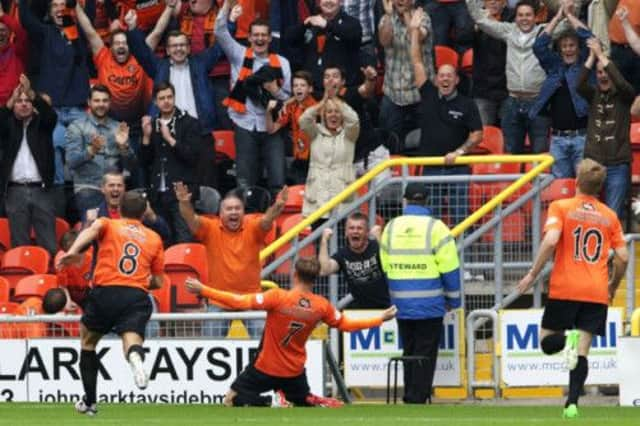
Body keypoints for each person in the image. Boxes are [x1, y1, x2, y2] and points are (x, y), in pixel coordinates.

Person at [185, 256, 397, 407]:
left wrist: (204, 290)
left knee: (232, 399)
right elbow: (346, 325)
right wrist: (380, 318)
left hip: (265, 368)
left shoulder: (277, 297)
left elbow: (238, 300)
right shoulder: (321, 305)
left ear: (294, 274)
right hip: (294, 371)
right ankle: (303, 398)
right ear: (316, 278)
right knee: (303, 403)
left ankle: (273, 401)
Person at [516, 158, 628, 419]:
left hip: (566, 287)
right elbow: (623, 256)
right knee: (582, 352)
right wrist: (612, 284)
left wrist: (533, 273)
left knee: (546, 341)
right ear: (600, 187)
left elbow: (552, 239)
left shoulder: (561, 207)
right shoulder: (609, 216)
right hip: (596, 290)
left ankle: (566, 340)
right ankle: (572, 405)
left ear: (576, 182)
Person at [57, 191, 165, 417]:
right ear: (144, 212)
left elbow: (91, 231)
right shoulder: (154, 238)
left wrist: (73, 251)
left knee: (88, 342)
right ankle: (135, 357)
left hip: (106, 291)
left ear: (119, 209)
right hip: (136, 295)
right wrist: (139, 279)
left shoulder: (107, 223)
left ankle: (90, 402)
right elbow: (158, 282)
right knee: (132, 340)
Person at [379, 182, 462, 404]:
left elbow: (385, 266)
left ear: (405, 200)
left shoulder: (391, 227)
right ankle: (418, 396)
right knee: (426, 352)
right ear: (428, 201)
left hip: (401, 303)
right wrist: (454, 301)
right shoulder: (437, 228)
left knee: (409, 350)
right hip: (431, 303)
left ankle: (409, 394)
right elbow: (450, 269)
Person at [175, 182, 288, 338]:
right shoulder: (210, 228)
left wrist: (278, 206)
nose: (233, 212)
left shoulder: (253, 227)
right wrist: (184, 202)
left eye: (237, 208)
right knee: (210, 348)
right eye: (229, 209)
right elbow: (191, 218)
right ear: (221, 214)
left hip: (250, 299)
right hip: (218, 301)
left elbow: (267, 220)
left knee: (265, 347)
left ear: (243, 212)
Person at [409, 7, 483, 226]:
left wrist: (459, 152)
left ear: (457, 80)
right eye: (441, 75)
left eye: (450, 76)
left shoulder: (467, 103)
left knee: (460, 218)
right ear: (436, 79)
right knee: (430, 219)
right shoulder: (428, 93)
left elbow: (478, 134)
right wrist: (414, 32)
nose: (445, 79)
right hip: (431, 166)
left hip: (458, 167)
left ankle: (462, 255)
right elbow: (416, 61)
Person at [215, 0, 291, 197]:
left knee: (278, 180)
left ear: (269, 39)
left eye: (263, 35)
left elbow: (290, 98)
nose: (259, 39)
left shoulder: (282, 63)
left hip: (273, 126)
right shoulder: (238, 55)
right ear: (248, 38)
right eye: (255, 35)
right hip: (244, 124)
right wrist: (227, 6)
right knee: (244, 182)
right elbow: (220, 31)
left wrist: (275, 91)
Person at [466, 0, 550, 154]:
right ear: (516, 18)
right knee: (510, 151)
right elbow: (476, 22)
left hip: (535, 101)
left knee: (540, 152)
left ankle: (540, 179)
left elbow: (565, 25)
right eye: (521, 15)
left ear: (535, 17)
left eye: (528, 15)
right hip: (506, 98)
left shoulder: (542, 32)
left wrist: (571, 8)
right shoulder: (508, 31)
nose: (524, 18)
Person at [530, 3, 592, 178]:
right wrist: (557, 17)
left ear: (578, 49)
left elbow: (590, 38)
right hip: (557, 139)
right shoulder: (554, 66)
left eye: (572, 45)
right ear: (559, 50)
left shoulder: (585, 65)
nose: (568, 49)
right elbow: (539, 46)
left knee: (584, 186)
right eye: (564, 46)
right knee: (560, 187)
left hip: (582, 137)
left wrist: (570, 16)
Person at [0, 75, 57, 256]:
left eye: (27, 101)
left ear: (33, 105)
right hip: (14, 191)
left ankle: (50, 281)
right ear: (13, 105)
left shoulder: (43, 126)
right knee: (19, 245)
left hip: (42, 190)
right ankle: (21, 283)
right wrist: (9, 102)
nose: (24, 104)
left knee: (48, 243)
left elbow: (50, 114)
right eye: (19, 101)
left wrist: (32, 93)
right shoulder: (7, 128)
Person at [577, 38, 634, 219]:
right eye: (599, 73)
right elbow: (579, 84)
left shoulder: (625, 95)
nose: (603, 76)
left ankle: (609, 248)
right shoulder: (593, 94)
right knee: (587, 211)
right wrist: (592, 57)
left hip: (618, 163)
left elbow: (622, 83)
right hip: (593, 163)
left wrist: (601, 54)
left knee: (612, 214)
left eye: (606, 72)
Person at [141, 81, 203, 244]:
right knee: (160, 243)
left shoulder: (189, 122)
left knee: (184, 241)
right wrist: (146, 137)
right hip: (157, 195)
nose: (166, 101)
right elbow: (145, 163)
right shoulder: (152, 124)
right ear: (155, 101)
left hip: (181, 195)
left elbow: (193, 157)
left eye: (169, 97)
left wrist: (170, 139)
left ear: (174, 98)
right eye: (162, 98)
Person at [65, 85, 137, 217]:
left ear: (110, 103)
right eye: (97, 101)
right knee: (95, 225)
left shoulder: (118, 127)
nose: (101, 104)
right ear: (89, 102)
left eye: (105, 101)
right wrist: (91, 150)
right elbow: (71, 162)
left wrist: (123, 147)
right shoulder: (76, 127)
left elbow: (131, 166)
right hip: (88, 187)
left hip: (115, 190)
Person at [378, 0, 434, 143]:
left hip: (419, 94)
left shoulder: (423, 17)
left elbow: (417, 37)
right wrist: (389, 16)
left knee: (426, 142)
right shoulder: (386, 18)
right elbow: (384, 40)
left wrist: (408, 17)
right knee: (389, 142)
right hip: (393, 93)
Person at [298, 92, 360, 221]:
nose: (333, 115)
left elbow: (353, 120)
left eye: (337, 112)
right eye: (329, 112)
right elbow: (303, 120)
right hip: (317, 199)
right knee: (319, 239)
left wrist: (338, 102)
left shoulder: (349, 134)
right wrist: (321, 103)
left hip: (342, 200)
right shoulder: (315, 132)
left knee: (341, 239)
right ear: (323, 115)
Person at [284, 0, 363, 91]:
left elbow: (351, 34)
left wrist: (327, 25)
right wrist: (303, 26)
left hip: (341, 90)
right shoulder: (312, 22)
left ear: (340, 1)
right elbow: (289, 39)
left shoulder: (351, 22)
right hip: (313, 89)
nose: (328, 1)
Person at [319, 212, 390, 308]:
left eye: (359, 228)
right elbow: (324, 270)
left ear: (367, 232)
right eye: (351, 228)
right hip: (360, 311)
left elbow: (390, 263)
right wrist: (324, 241)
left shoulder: (376, 246)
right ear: (346, 233)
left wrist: (379, 238)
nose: (355, 231)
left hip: (387, 307)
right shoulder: (343, 254)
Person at [84, 170, 171, 244]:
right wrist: (88, 224)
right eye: (111, 185)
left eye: (119, 185)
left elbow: (165, 235)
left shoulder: (136, 209)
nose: (116, 189)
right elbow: (80, 249)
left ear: (124, 189)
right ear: (102, 189)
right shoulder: (95, 214)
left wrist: (152, 217)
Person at [265, 71, 317, 185]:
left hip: (316, 159)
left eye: (302, 85)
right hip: (299, 157)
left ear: (310, 89)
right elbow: (271, 129)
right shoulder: (290, 107)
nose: (298, 88)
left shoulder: (318, 107)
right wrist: (268, 112)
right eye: (295, 85)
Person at [470, 0, 510, 126]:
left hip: (508, 90)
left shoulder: (514, 17)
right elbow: (462, 38)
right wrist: (476, 27)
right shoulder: (477, 17)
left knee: (510, 136)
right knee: (483, 139)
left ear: (505, 3)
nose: (493, 2)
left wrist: (490, 23)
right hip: (483, 90)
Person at [0, 0, 27, 106]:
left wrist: (3, 16)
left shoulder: (16, 50)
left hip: (15, 103)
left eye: (3, 30)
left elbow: (22, 35)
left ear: (9, 32)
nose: (0, 33)